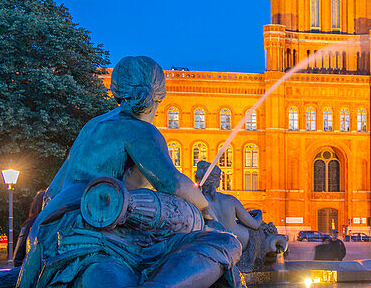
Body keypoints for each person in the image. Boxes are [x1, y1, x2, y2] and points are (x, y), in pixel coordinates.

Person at [18, 56, 241, 288]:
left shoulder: (92, 126)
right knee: (224, 242)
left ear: (117, 92)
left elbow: (52, 193)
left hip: (51, 235)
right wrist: (207, 211)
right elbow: (172, 183)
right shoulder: (140, 129)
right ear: (158, 97)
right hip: (101, 233)